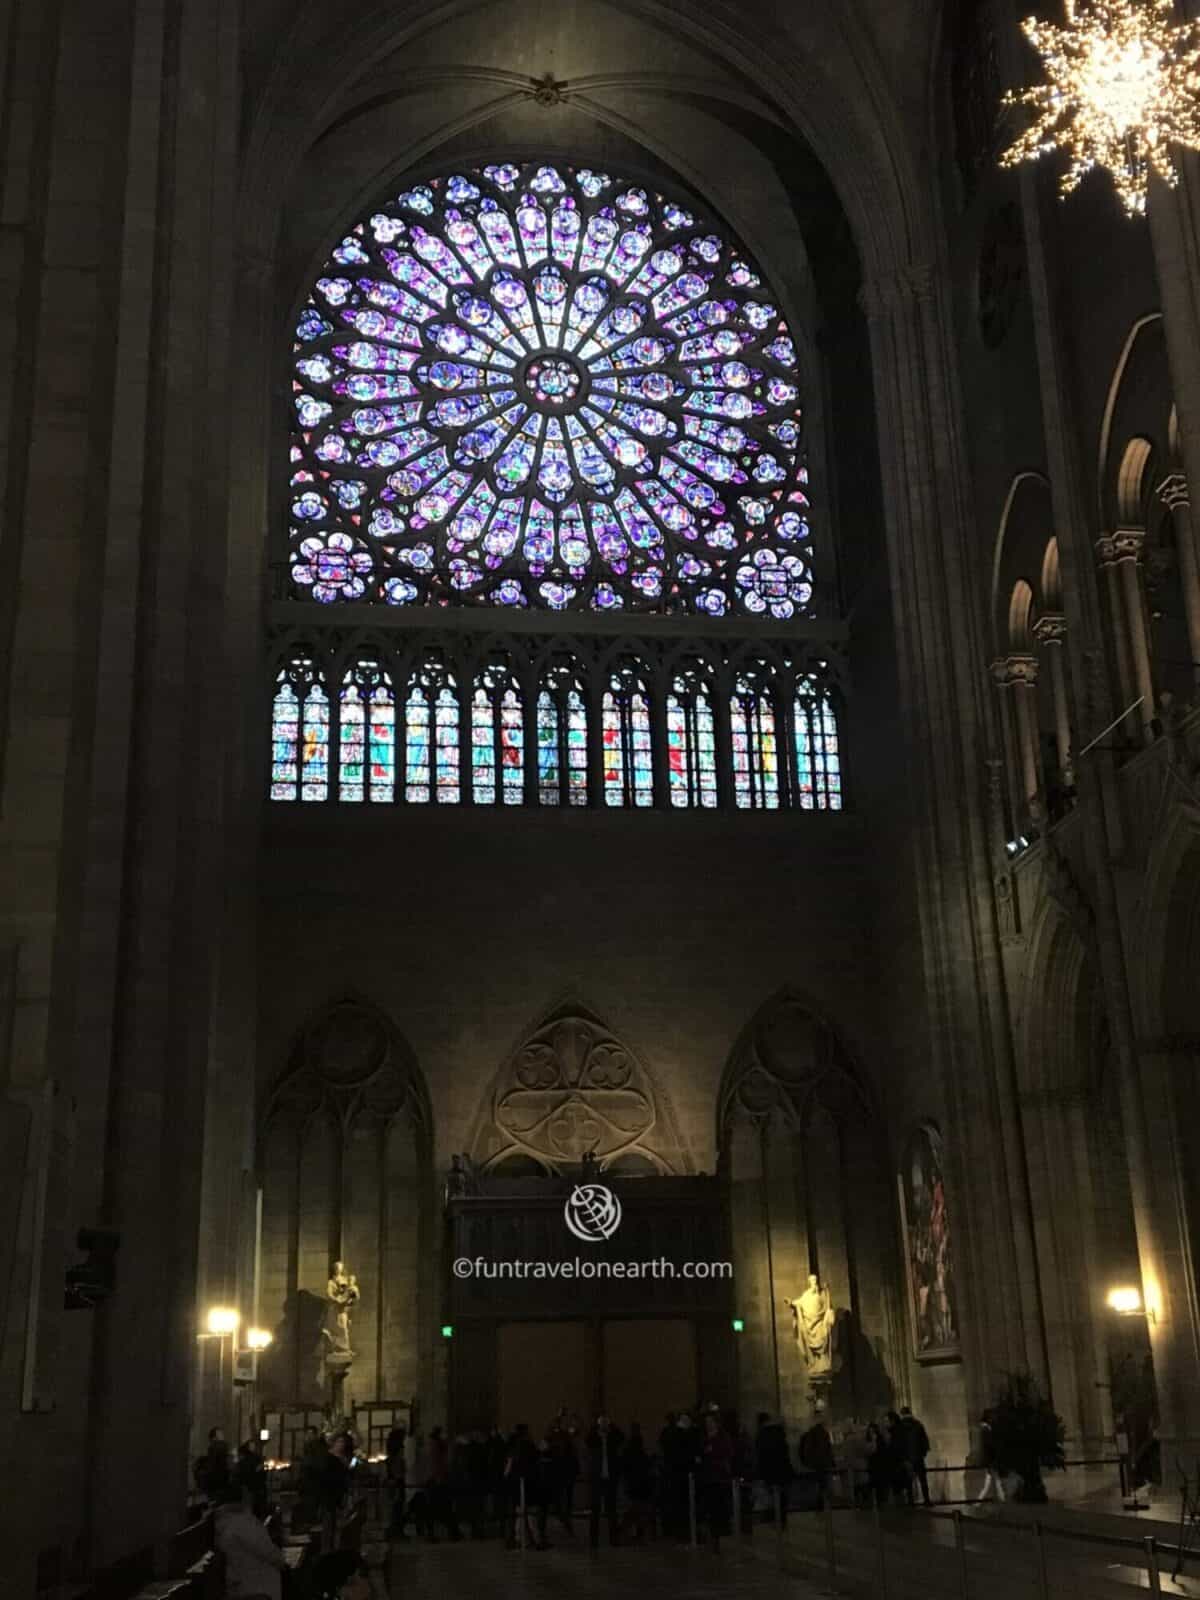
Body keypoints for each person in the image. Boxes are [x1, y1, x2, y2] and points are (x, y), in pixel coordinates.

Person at [213, 1482, 287, 1600]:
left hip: (242, 1584)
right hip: (257, 1587)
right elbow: (268, 1552)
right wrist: (282, 1561)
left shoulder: (224, 1522)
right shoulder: (242, 1523)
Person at [696, 1411, 734, 1553]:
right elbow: (701, 1454)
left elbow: (728, 1453)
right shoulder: (704, 1438)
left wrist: (712, 1454)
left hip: (719, 1478)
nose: (708, 1424)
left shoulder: (723, 1437)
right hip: (707, 1478)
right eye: (706, 1422)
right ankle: (712, 1536)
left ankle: (717, 1538)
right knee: (709, 1509)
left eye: (710, 1421)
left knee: (718, 1509)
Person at [586, 1414, 624, 1548]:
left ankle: (614, 1539)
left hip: (610, 1479)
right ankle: (593, 1541)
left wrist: (612, 1425)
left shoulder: (613, 1439)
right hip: (596, 1479)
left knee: (611, 1510)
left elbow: (621, 1437)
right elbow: (588, 1438)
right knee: (594, 1510)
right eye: (601, 1424)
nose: (603, 1426)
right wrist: (595, 1427)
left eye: (605, 1424)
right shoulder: (594, 1439)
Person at [755, 1411, 794, 1525]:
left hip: (769, 1470)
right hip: (782, 1468)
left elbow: (760, 1455)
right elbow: (785, 1451)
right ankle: (782, 1519)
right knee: (782, 1496)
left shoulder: (761, 1435)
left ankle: (775, 1518)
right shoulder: (779, 1432)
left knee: (772, 1495)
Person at [547, 1407, 579, 1536]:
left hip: (564, 1472)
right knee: (561, 1500)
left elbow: (575, 1430)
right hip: (560, 1472)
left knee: (564, 1500)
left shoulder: (562, 1437)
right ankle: (565, 1521)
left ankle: (566, 1521)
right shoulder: (558, 1436)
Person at [621, 1421, 654, 1541]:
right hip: (638, 1482)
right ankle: (634, 1532)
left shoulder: (630, 1446)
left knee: (636, 1509)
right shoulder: (636, 1445)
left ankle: (633, 1532)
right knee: (637, 1509)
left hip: (635, 1482)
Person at [799, 1417, 836, 1511]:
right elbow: (829, 1450)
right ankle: (823, 1504)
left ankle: (818, 1504)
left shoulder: (809, 1434)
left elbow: (806, 1451)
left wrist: (807, 1463)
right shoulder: (824, 1434)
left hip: (814, 1465)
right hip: (823, 1464)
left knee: (816, 1486)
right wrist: (832, 1462)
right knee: (824, 1485)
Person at [897, 1405, 932, 1506]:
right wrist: (923, 1453)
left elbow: (899, 1444)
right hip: (918, 1457)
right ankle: (927, 1500)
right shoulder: (918, 1424)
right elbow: (924, 1441)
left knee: (909, 1482)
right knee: (923, 1480)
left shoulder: (900, 1427)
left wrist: (902, 1457)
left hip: (907, 1458)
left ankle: (911, 1501)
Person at [976, 1409, 1006, 1503]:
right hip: (990, 1460)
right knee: (990, 1483)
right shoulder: (986, 1430)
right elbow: (988, 1447)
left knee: (995, 1481)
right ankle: (978, 1501)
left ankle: (1002, 1498)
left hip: (990, 1460)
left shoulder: (987, 1429)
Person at [384, 1424, 407, 1537]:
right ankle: (396, 1531)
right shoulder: (397, 1454)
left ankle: (396, 1530)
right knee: (396, 1507)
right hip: (397, 1482)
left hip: (395, 1481)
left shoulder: (392, 1455)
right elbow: (398, 1470)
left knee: (396, 1507)